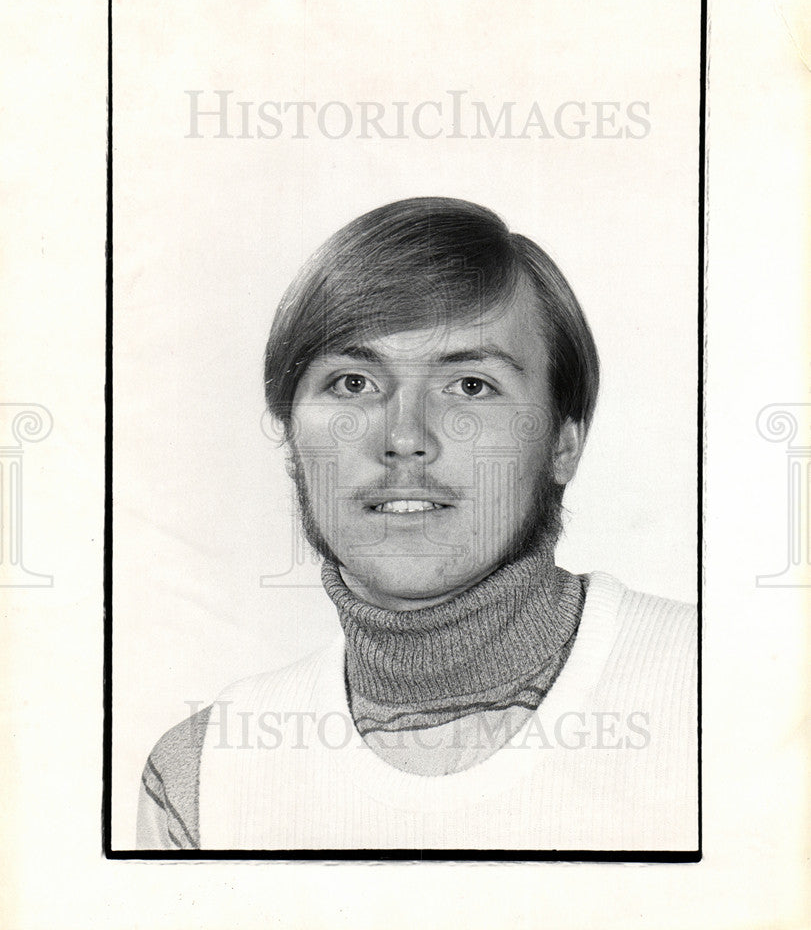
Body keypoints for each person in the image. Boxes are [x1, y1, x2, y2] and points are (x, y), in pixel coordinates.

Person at [137, 197, 697, 851]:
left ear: (563, 441)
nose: (403, 437)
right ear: (291, 439)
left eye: (468, 386)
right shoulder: (204, 780)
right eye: (351, 383)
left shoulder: (738, 689)